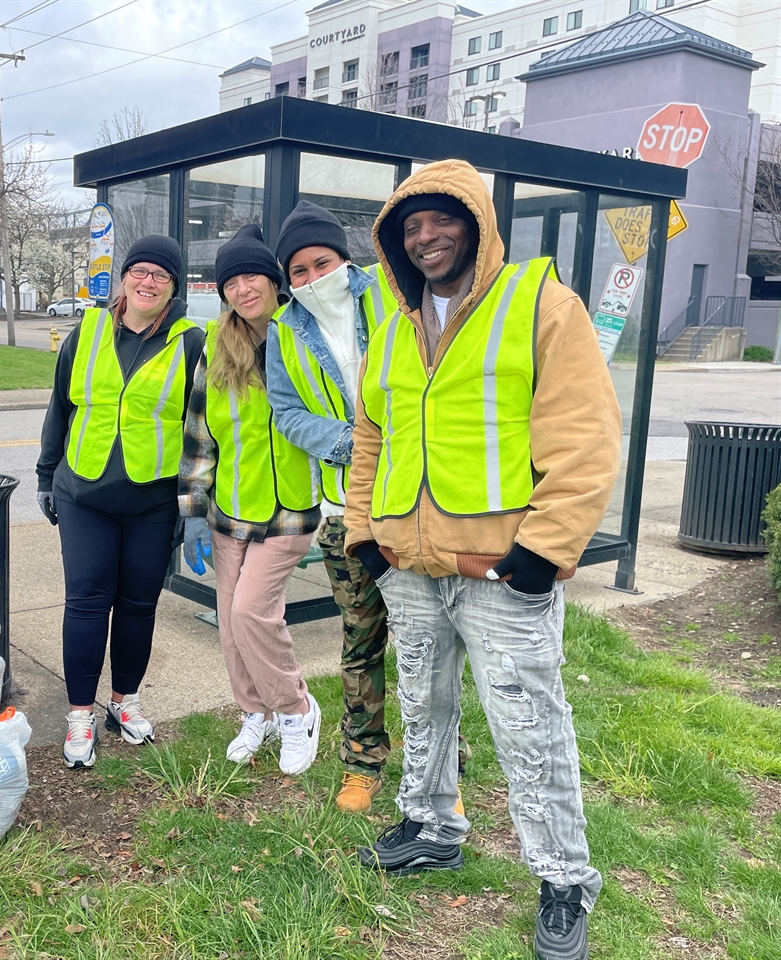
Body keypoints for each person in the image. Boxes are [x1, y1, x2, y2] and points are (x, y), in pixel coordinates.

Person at [346, 160, 620, 960]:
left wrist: (547, 548)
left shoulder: (540, 303)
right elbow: (372, 437)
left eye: (442, 220)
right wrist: (365, 532)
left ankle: (564, 879)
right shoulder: (393, 327)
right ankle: (433, 827)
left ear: (477, 223)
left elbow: (585, 434)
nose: (425, 237)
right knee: (424, 708)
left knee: (530, 725)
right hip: (410, 566)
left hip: (504, 573)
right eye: (410, 226)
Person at [265, 201, 473, 814]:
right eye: (297, 271)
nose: (310, 279)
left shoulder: (396, 291)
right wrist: (356, 444)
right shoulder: (284, 330)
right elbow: (288, 413)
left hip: (416, 503)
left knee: (431, 641)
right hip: (344, 510)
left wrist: (397, 441)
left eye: (320, 263)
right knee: (362, 640)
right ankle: (362, 759)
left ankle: (442, 767)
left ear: (343, 258)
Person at [36, 235, 205, 769]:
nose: (148, 281)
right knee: (87, 602)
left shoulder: (192, 341)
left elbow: (199, 430)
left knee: (138, 605)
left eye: (161, 275)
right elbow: (59, 408)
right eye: (140, 271)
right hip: (83, 492)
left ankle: (124, 702)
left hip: (152, 500)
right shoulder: (85, 331)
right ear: (125, 278)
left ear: (174, 287)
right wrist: (46, 476)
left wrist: (191, 507)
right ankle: (80, 713)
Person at [177, 224, 323, 775]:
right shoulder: (216, 348)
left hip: (292, 508)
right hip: (230, 510)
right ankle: (254, 712)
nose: (243, 288)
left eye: (252, 275)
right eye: (231, 281)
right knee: (229, 621)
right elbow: (199, 435)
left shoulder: (303, 336)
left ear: (274, 280)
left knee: (252, 613)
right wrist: (194, 512)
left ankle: (296, 709)